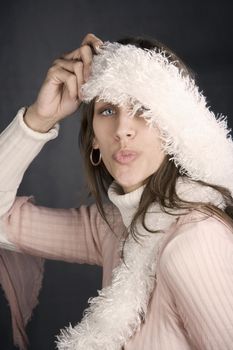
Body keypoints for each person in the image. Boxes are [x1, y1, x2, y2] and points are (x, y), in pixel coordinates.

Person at [0, 32, 233, 350]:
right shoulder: (112, 226)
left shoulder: (194, 241)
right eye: (107, 110)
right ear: (94, 139)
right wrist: (40, 118)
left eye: (142, 109)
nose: (123, 128)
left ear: (173, 128)